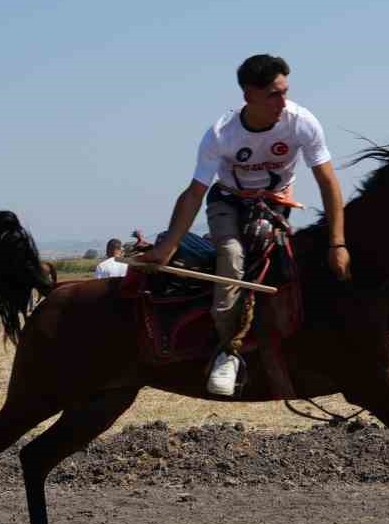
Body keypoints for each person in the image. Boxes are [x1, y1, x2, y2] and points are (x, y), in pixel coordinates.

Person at [140, 54, 349, 397]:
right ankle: (228, 351)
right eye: (273, 95)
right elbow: (194, 193)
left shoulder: (302, 122)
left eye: (285, 91)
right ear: (248, 95)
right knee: (233, 257)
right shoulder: (221, 134)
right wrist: (167, 247)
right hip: (228, 201)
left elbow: (328, 181)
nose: (283, 102)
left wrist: (337, 243)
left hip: (274, 203)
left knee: (281, 262)